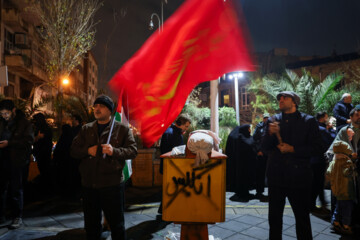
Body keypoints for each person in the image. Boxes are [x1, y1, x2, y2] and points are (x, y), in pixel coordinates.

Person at [70, 95, 137, 240]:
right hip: (89, 185)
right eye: (95, 106)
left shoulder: (122, 129)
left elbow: (133, 151)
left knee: (116, 225)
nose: (97, 109)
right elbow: (73, 150)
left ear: (110, 110)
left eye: (101, 106)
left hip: (111, 184)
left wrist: (115, 151)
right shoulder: (86, 129)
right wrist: (88, 151)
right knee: (91, 225)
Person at [262, 91, 323, 240]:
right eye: (279, 98)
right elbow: (263, 148)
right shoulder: (273, 121)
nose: (280, 100)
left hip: (299, 178)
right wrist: (270, 133)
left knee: (302, 218)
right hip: (276, 177)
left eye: (285, 98)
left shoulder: (308, 121)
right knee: (274, 219)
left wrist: (293, 149)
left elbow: (318, 148)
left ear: (294, 101)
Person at [0, 99, 34, 229]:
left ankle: (16, 217)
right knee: (1, 189)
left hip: (16, 161)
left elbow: (28, 141)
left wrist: (10, 143)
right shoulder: (1, 122)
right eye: (2, 114)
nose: (4, 116)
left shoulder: (24, 123)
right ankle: (2, 215)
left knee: (15, 189)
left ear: (13, 110)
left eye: (6, 113)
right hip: (2, 160)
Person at [158, 114, 191, 214]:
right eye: (186, 126)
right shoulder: (172, 134)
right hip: (171, 165)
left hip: (170, 165)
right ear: (180, 123)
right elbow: (168, 151)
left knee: (170, 189)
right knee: (170, 189)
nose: (186, 129)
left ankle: (165, 209)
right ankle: (166, 210)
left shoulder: (172, 132)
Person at [327, 137, 357, 235]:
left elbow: (328, 172)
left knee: (338, 207)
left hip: (337, 190)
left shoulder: (333, 162)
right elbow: (347, 173)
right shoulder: (347, 162)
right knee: (347, 208)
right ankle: (346, 225)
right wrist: (353, 167)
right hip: (346, 190)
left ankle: (335, 222)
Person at [310, 111, 336, 214]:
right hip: (319, 159)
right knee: (318, 183)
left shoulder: (313, 128)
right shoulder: (322, 130)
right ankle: (315, 204)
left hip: (311, 159)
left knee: (315, 183)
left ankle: (314, 204)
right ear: (323, 118)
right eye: (327, 117)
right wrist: (331, 130)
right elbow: (332, 141)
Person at [226, 124, 257, 202]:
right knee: (242, 179)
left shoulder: (241, 137)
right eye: (249, 129)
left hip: (244, 164)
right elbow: (250, 144)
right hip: (242, 165)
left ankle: (245, 193)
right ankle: (242, 194)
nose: (250, 130)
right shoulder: (241, 138)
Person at [32, 112, 53, 189]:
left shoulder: (44, 129)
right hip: (41, 153)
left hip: (43, 154)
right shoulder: (42, 128)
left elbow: (42, 141)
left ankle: (46, 187)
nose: (34, 123)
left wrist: (37, 138)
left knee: (45, 170)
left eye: (35, 120)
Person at [253, 113, 270, 201]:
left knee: (271, 174)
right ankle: (259, 192)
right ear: (263, 119)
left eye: (268, 118)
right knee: (260, 173)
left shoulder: (271, 127)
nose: (266, 119)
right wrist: (258, 150)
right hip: (261, 154)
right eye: (265, 118)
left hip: (270, 154)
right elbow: (255, 139)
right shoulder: (259, 127)